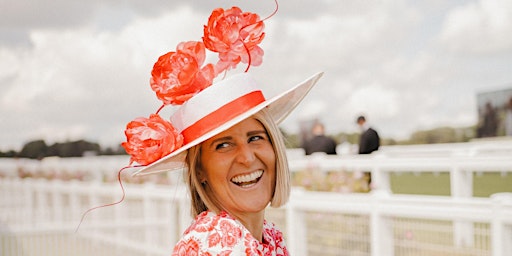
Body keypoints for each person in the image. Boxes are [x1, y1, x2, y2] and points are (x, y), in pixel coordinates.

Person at [120, 4, 323, 255]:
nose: (247, 157)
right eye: (223, 145)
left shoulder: (262, 236)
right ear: (200, 169)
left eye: (256, 138)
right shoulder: (216, 244)